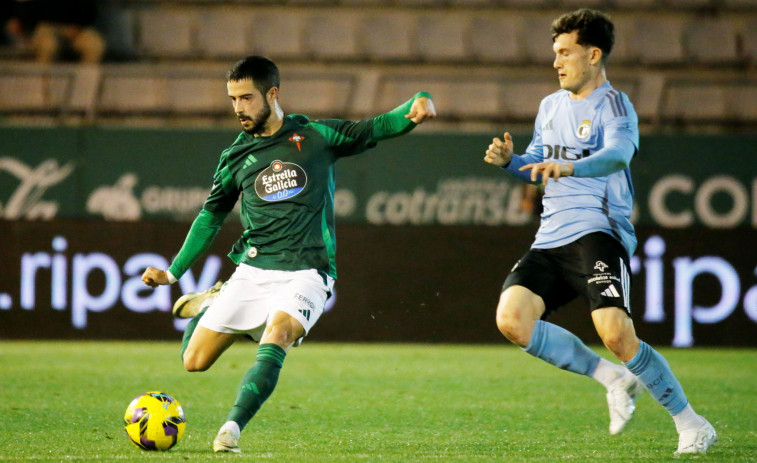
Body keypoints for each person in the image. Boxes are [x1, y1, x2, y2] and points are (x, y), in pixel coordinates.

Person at [141, 56, 436, 453]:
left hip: (308, 271)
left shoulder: (314, 136)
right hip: (253, 269)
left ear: (272, 94)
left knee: (277, 334)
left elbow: (375, 127)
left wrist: (415, 105)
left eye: (246, 98)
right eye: (232, 99)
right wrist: (174, 273)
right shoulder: (234, 158)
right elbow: (210, 218)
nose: (238, 108)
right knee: (193, 361)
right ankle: (214, 299)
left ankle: (231, 429)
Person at [483, 9, 716, 455]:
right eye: (555, 53)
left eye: (565, 52)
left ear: (593, 55)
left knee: (615, 334)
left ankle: (692, 423)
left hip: (598, 232)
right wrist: (510, 161)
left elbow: (618, 156)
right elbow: (538, 166)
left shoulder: (615, 105)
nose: (556, 62)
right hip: (550, 237)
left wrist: (570, 166)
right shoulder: (549, 106)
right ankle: (612, 378)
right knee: (511, 319)